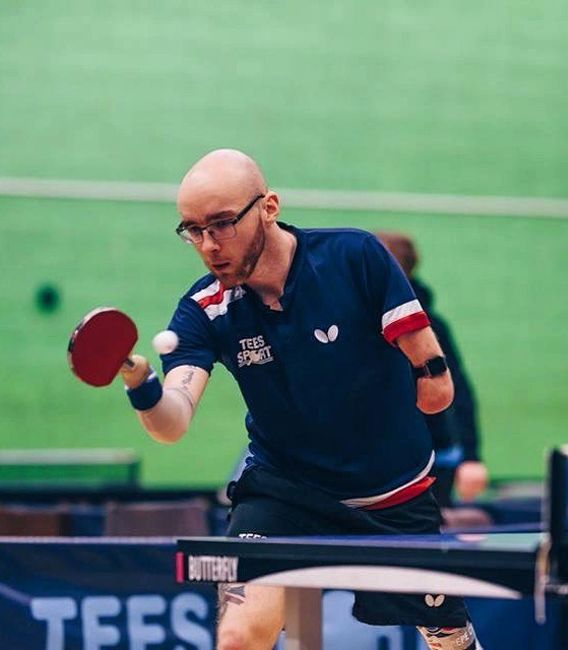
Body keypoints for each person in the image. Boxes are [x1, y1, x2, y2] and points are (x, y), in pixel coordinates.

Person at [121, 149, 482, 650]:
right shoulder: (205, 309)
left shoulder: (353, 257)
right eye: (192, 230)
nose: (208, 245)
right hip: (283, 492)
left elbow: (432, 367)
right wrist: (140, 382)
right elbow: (173, 422)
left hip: (391, 491)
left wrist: (433, 384)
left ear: (268, 206)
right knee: (239, 636)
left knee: (450, 642)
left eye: (222, 224)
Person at [375, 232, 489, 507]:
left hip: (430, 458)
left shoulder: (429, 326)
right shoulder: (349, 318)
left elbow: (457, 388)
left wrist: (471, 457)